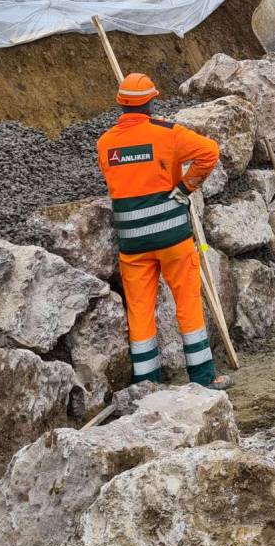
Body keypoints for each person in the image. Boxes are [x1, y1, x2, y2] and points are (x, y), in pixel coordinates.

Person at [96, 72, 229, 389]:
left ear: (121, 104)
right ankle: (203, 378)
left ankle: (146, 385)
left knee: (140, 310)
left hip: (132, 243)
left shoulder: (105, 144)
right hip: (173, 238)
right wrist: (186, 187)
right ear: (151, 102)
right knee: (187, 303)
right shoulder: (168, 134)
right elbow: (209, 152)